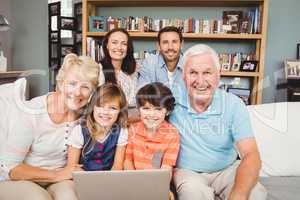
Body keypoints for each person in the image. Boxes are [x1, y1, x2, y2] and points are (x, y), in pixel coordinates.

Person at [169, 44, 267, 200]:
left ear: (218, 75)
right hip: (188, 172)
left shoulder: (234, 104)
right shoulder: (170, 101)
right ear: (183, 76)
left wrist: (238, 195)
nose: (200, 81)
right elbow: (143, 114)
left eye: (207, 72)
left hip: (226, 169)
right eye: (193, 72)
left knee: (255, 194)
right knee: (192, 195)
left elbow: (251, 154)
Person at [0, 53, 99, 200]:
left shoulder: (87, 114)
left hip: (60, 179)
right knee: (39, 198)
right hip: (18, 179)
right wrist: (57, 174)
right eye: (72, 84)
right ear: (60, 83)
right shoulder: (33, 112)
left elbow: (116, 118)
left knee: (69, 197)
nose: (78, 92)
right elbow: (10, 167)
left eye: (85, 87)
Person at [124, 82, 180, 200]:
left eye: (158, 109)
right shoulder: (133, 130)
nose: (151, 114)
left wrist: (160, 188)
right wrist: (135, 184)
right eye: (146, 108)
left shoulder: (172, 134)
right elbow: (127, 161)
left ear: (167, 111)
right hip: (133, 181)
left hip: (157, 183)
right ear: (139, 110)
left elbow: (166, 169)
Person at [65, 83, 128, 173]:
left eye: (113, 108)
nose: (106, 112)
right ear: (92, 107)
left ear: (120, 112)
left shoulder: (121, 132)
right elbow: (72, 167)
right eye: (101, 106)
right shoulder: (79, 131)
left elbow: (117, 166)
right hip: (84, 179)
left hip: (110, 179)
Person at [99, 28, 138, 106]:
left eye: (124, 44)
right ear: (107, 45)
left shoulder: (133, 73)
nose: (119, 47)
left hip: (129, 116)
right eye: (114, 42)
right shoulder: (98, 70)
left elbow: (134, 103)